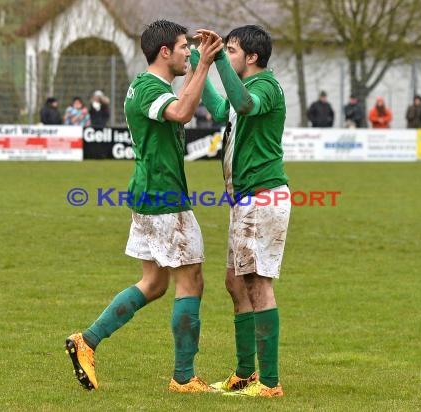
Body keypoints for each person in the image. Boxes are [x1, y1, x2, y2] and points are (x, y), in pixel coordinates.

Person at [65, 20, 223, 393]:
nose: (190, 52)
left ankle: (86, 341)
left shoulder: (145, 84)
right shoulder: (150, 88)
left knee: (153, 283)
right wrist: (203, 67)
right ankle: (184, 378)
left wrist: (200, 67)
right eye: (185, 46)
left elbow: (184, 105)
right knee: (191, 280)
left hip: (148, 193)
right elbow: (183, 112)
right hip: (162, 196)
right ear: (164, 51)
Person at [190, 25, 289, 397]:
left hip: (263, 197)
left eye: (230, 50)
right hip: (243, 200)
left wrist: (217, 63)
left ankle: (270, 383)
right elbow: (221, 107)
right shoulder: (243, 88)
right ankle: (246, 374)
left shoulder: (266, 87)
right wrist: (202, 61)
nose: (226, 56)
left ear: (251, 58)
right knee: (235, 282)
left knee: (257, 283)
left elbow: (246, 104)